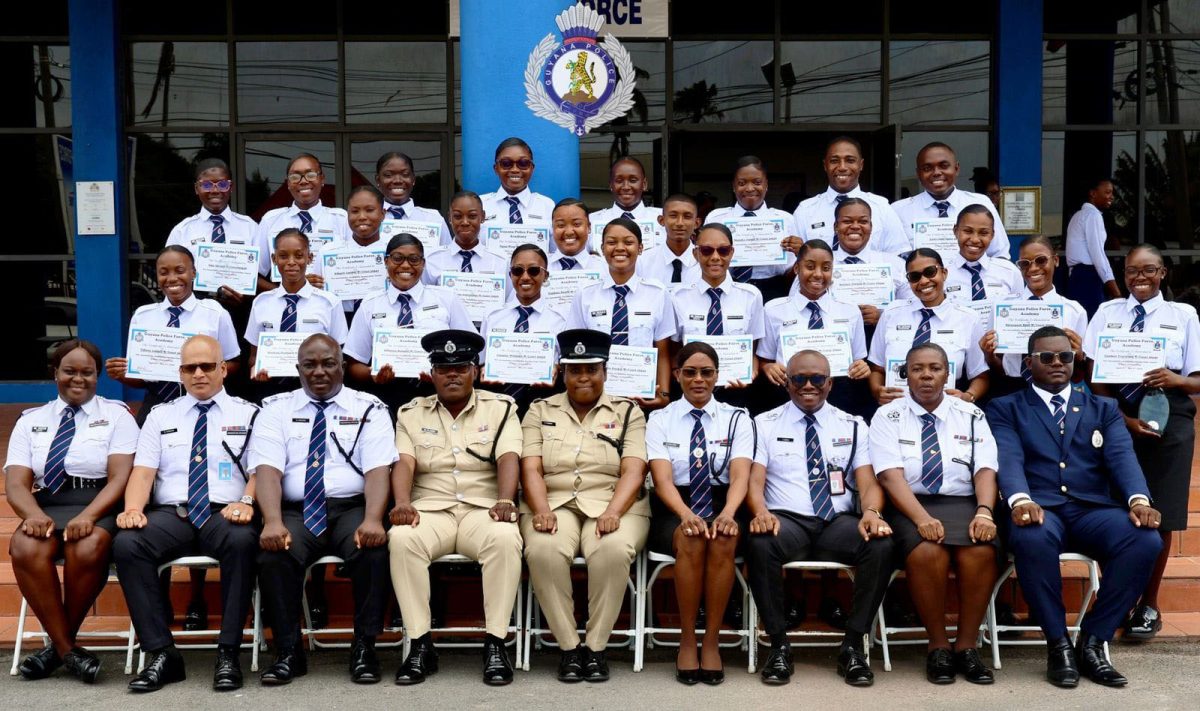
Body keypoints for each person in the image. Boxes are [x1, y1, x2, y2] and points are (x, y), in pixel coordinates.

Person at [987, 326, 1164, 688]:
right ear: (1028, 362)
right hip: (1039, 507)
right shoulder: (1006, 408)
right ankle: (1058, 645)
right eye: (1047, 357)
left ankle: (1094, 641)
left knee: (1145, 540)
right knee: (1032, 537)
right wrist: (1020, 499)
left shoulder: (1104, 407)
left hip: (1091, 509)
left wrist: (1139, 500)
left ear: (1074, 361)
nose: (1057, 363)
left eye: (1065, 357)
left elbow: (1121, 457)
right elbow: (1008, 457)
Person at [113, 335, 260, 693]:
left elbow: (260, 472)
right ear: (179, 372)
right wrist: (133, 508)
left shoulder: (250, 413)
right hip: (172, 513)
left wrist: (247, 501)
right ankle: (162, 653)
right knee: (128, 544)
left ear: (223, 370)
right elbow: (143, 472)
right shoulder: (160, 416)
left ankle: (228, 652)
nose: (198, 374)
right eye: (189, 368)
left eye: (207, 366)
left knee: (242, 542)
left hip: (225, 511)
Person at [250, 334, 398, 685]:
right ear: (297, 368)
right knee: (274, 555)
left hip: (351, 508)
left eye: (328, 363)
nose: (319, 371)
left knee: (374, 550)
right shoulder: (275, 409)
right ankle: (288, 651)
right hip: (296, 511)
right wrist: (271, 521)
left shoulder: (369, 408)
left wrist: (374, 519)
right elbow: (268, 470)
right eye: (310, 364)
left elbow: (379, 470)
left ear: (342, 365)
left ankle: (364, 647)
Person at [747, 350, 894, 687]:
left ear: (830, 383)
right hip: (787, 521)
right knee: (759, 542)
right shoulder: (765, 424)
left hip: (836, 523)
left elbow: (868, 481)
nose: (808, 386)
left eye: (817, 379)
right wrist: (761, 512)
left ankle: (853, 646)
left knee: (882, 544)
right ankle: (779, 646)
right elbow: (755, 480)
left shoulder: (853, 424)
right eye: (799, 379)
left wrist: (871, 513)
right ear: (787, 383)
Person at [388, 330, 523, 686]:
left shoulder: (502, 407)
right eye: (444, 368)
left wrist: (506, 500)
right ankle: (419, 644)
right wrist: (402, 504)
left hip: (483, 509)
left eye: (461, 367)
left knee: (505, 537)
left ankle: (495, 643)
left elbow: (509, 456)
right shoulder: (410, 413)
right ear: (431, 373)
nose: (452, 374)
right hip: (431, 510)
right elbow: (404, 462)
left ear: (475, 371)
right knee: (401, 539)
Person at [520, 329, 650, 683]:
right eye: (574, 370)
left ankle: (595, 648)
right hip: (553, 501)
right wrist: (541, 508)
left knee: (612, 549)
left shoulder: (628, 412)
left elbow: (634, 470)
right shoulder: (538, 410)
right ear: (562, 373)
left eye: (591, 369)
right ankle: (568, 648)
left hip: (614, 501)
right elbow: (530, 466)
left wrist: (612, 512)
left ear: (604, 372)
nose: (583, 378)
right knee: (544, 549)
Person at [1084, 244, 1200, 640]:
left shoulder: (1183, 316)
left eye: (1148, 270)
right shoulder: (1106, 313)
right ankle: (1116, 599)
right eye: (1132, 271)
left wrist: (1176, 379)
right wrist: (1119, 419)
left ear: (1163, 272)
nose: (1139, 278)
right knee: (1112, 508)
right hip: (1116, 414)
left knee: (1161, 513)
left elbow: (1197, 379)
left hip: (1169, 418)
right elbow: (1093, 372)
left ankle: (1148, 605)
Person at [5, 339, 138, 683]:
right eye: (69, 371)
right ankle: (67, 650)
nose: (78, 378)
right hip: (47, 504)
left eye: (87, 372)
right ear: (55, 374)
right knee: (24, 546)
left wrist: (90, 516)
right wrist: (31, 514)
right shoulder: (30, 420)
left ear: (97, 377)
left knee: (88, 545)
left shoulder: (117, 415)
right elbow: (17, 483)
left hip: (97, 502)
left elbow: (120, 477)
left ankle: (55, 650)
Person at [869, 343, 999, 685]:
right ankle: (938, 645)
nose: (926, 375)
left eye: (935, 368)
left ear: (947, 373)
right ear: (905, 374)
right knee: (928, 551)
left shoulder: (971, 414)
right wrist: (920, 518)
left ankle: (967, 646)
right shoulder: (888, 415)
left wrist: (984, 512)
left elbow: (985, 468)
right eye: (917, 369)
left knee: (980, 551)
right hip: (909, 503)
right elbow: (888, 475)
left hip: (963, 502)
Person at [646, 342, 754, 685]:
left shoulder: (738, 419)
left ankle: (712, 641)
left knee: (723, 539)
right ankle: (688, 639)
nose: (698, 379)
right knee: (691, 539)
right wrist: (685, 514)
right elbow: (662, 481)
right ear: (676, 375)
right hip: (673, 507)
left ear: (717, 376)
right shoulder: (660, 419)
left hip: (724, 504)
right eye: (690, 372)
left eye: (706, 372)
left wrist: (729, 513)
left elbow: (740, 476)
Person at [105, 246, 241, 424]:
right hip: (156, 402)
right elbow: (142, 379)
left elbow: (234, 363)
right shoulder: (142, 316)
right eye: (163, 272)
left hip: (203, 399)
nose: (171, 278)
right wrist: (122, 374)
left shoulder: (214, 313)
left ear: (193, 273)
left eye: (180, 270)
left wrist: (201, 372)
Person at [344, 233, 475, 414]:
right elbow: (353, 364)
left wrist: (444, 370)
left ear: (423, 263)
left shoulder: (447, 299)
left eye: (413, 259)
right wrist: (372, 375)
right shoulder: (370, 304)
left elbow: (470, 349)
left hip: (439, 396)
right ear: (386, 261)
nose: (405, 265)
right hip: (387, 396)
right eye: (397, 258)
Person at [567, 218, 676, 410]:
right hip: (595, 397)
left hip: (641, 397)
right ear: (602, 248)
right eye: (611, 242)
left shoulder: (657, 293)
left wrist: (664, 394)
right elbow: (575, 351)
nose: (619, 248)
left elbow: (663, 352)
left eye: (628, 242)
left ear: (640, 248)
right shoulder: (585, 293)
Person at [758, 240, 870, 416]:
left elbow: (859, 359)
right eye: (810, 267)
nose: (818, 274)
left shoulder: (850, 310)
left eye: (826, 268)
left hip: (838, 395)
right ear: (796, 268)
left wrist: (861, 367)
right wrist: (767, 368)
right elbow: (765, 359)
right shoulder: (773, 310)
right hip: (788, 394)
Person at [868, 248, 989, 407]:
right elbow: (877, 368)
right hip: (897, 408)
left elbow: (980, 374)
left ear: (944, 273)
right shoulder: (891, 313)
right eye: (915, 276)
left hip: (947, 408)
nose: (924, 281)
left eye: (930, 272)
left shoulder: (968, 318)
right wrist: (877, 390)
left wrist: (968, 396)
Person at [977, 235, 1087, 396]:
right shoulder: (1002, 308)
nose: (1033, 268)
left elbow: (1077, 376)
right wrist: (988, 354)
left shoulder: (1074, 311)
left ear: (1055, 260)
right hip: (1009, 388)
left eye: (1041, 260)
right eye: (1024, 263)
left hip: (1055, 391)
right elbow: (997, 368)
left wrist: (1078, 355)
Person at [245, 228, 348, 398]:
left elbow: (340, 354)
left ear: (309, 258)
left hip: (316, 389)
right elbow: (253, 356)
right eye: (283, 256)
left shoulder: (329, 302)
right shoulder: (261, 302)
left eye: (299, 255)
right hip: (271, 388)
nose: (291, 262)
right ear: (274, 259)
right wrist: (256, 369)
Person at [671, 223, 765, 395]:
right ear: (695, 253)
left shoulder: (751, 296)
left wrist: (752, 371)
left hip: (736, 389)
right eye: (706, 250)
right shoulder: (678, 297)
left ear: (732, 253)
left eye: (723, 251)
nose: (715, 257)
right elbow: (674, 349)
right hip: (691, 389)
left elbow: (753, 348)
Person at [165, 157, 272, 300]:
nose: (215, 190)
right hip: (197, 307)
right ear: (197, 188)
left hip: (242, 306)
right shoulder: (182, 231)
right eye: (207, 185)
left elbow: (260, 272)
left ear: (231, 187)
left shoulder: (249, 227)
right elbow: (171, 274)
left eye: (222, 184)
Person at [478, 244, 566, 414]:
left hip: (543, 403)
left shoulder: (560, 319)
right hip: (497, 403)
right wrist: (484, 371)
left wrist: (556, 370)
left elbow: (565, 366)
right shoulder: (493, 316)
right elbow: (481, 360)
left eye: (533, 270)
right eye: (518, 271)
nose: (525, 277)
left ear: (545, 275)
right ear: (510, 274)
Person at [891, 142, 1011, 260]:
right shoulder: (899, 210)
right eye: (927, 168)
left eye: (943, 166)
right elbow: (893, 258)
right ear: (918, 173)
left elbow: (999, 254)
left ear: (956, 168)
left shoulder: (981, 203)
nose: (937, 172)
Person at [793, 136, 909, 256]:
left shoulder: (881, 207)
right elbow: (795, 262)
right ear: (825, 165)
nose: (842, 167)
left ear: (861, 165)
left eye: (850, 160)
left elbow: (898, 256)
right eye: (834, 161)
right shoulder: (806, 210)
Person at [704, 156, 798, 298]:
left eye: (757, 182)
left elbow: (792, 270)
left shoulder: (786, 220)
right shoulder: (717, 218)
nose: (749, 188)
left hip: (774, 290)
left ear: (766, 184)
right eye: (742, 183)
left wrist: (800, 253)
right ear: (733, 186)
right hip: (728, 288)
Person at [255, 154, 353, 279]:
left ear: (322, 179)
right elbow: (255, 274)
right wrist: (287, 292)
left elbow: (354, 268)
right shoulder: (271, 220)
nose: (303, 181)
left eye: (310, 175)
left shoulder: (341, 219)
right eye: (295, 177)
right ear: (288, 183)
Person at [422, 191, 511, 310]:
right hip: (446, 328)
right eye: (458, 216)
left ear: (483, 217)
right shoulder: (432, 259)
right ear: (450, 218)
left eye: (472, 216)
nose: (465, 222)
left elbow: (509, 301)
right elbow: (425, 302)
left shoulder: (501, 261)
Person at [942, 206, 1022, 308]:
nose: (975, 239)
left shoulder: (1010, 272)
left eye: (984, 233)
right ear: (955, 231)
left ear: (992, 235)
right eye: (968, 231)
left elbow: (1016, 313)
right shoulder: (941, 274)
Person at [1065, 177, 1122, 316]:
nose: (1111, 197)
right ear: (1093, 193)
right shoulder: (1093, 215)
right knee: (1093, 323)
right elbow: (1098, 255)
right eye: (1107, 192)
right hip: (1088, 276)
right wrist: (1116, 291)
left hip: (1076, 276)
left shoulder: (1078, 215)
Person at [374, 151, 452, 246]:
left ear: (413, 179)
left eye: (405, 174)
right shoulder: (364, 219)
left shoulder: (434, 219)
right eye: (388, 175)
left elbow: (446, 257)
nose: (397, 180)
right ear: (378, 180)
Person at [480, 137, 556, 234]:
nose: (515, 170)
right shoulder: (480, 205)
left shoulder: (547, 206)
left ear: (532, 168)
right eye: (506, 163)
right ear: (496, 169)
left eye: (523, 163)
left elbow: (555, 248)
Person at [588, 156, 664, 250]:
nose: (626, 187)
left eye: (633, 180)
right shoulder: (592, 221)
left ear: (644, 184)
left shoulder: (664, 219)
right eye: (619, 181)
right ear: (611, 185)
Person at [636, 194, 700, 291]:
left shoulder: (705, 261)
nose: (680, 223)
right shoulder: (642, 261)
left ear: (696, 223)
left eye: (687, 217)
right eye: (673, 216)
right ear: (661, 220)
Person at [548, 198, 603, 272]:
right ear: (552, 228)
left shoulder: (604, 268)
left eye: (576, 224)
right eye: (561, 225)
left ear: (589, 227)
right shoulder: (540, 266)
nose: (569, 232)